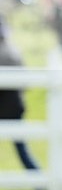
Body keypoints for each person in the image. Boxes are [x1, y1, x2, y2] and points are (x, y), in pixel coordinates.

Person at [0, 16, 40, 172]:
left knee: (22, 148)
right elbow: (25, 82)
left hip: (6, 107)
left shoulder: (5, 52)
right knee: (22, 148)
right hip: (15, 107)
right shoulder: (13, 51)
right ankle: (39, 181)